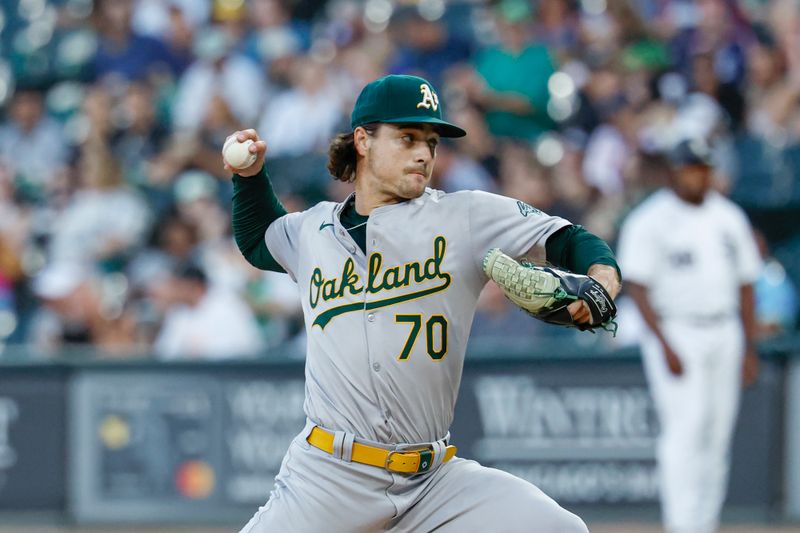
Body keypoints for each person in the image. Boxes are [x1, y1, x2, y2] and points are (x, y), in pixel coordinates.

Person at [227, 74, 621, 532]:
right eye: (407, 137)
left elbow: (567, 237)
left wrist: (603, 281)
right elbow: (259, 237)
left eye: (431, 142)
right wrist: (250, 178)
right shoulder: (311, 231)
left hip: (433, 483)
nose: (423, 153)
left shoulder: (463, 215)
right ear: (363, 140)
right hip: (328, 480)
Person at [616, 139, 762, 533]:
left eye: (702, 167)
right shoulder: (650, 220)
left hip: (724, 328)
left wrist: (749, 347)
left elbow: (747, 285)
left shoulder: (728, 216)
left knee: (717, 433)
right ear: (673, 171)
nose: (697, 175)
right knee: (686, 429)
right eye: (689, 167)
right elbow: (638, 287)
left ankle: (705, 522)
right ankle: (683, 525)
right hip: (676, 328)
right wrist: (664, 344)